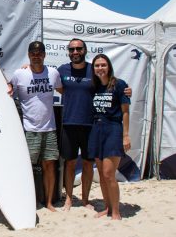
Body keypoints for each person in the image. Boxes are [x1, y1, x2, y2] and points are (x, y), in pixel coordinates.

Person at [58, 38, 131, 211]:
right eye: (72, 49)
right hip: (69, 123)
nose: (75, 52)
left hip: (91, 125)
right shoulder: (61, 70)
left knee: (87, 164)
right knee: (69, 163)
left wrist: (126, 90)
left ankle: (85, 200)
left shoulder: (93, 70)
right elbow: (48, 78)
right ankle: (68, 198)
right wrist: (26, 67)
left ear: (85, 50)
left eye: (79, 49)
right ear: (68, 51)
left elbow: (111, 85)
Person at [10, 41, 62, 211]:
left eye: (39, 53)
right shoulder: (19, 74)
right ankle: (25, 200)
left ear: (45, 55)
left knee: (49, 166)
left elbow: (68, 91)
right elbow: (8, 92)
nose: (36, 55)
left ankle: (48, 202)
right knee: (26, 168)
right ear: (29, 54)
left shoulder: (53, 73)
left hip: (50, 129)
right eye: (33, 53)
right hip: (29, 130)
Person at [88, 54, 130, 220]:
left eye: (103, 65)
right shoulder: (95, 86)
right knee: (101, 173)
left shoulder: (119, 85)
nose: (100, 68)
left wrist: (126, 136)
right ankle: (107, 207)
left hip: (113, 129)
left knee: (108, 174)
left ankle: (116, 211)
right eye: (97, 66)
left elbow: (125, 111)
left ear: (109, 66)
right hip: (96, 129)